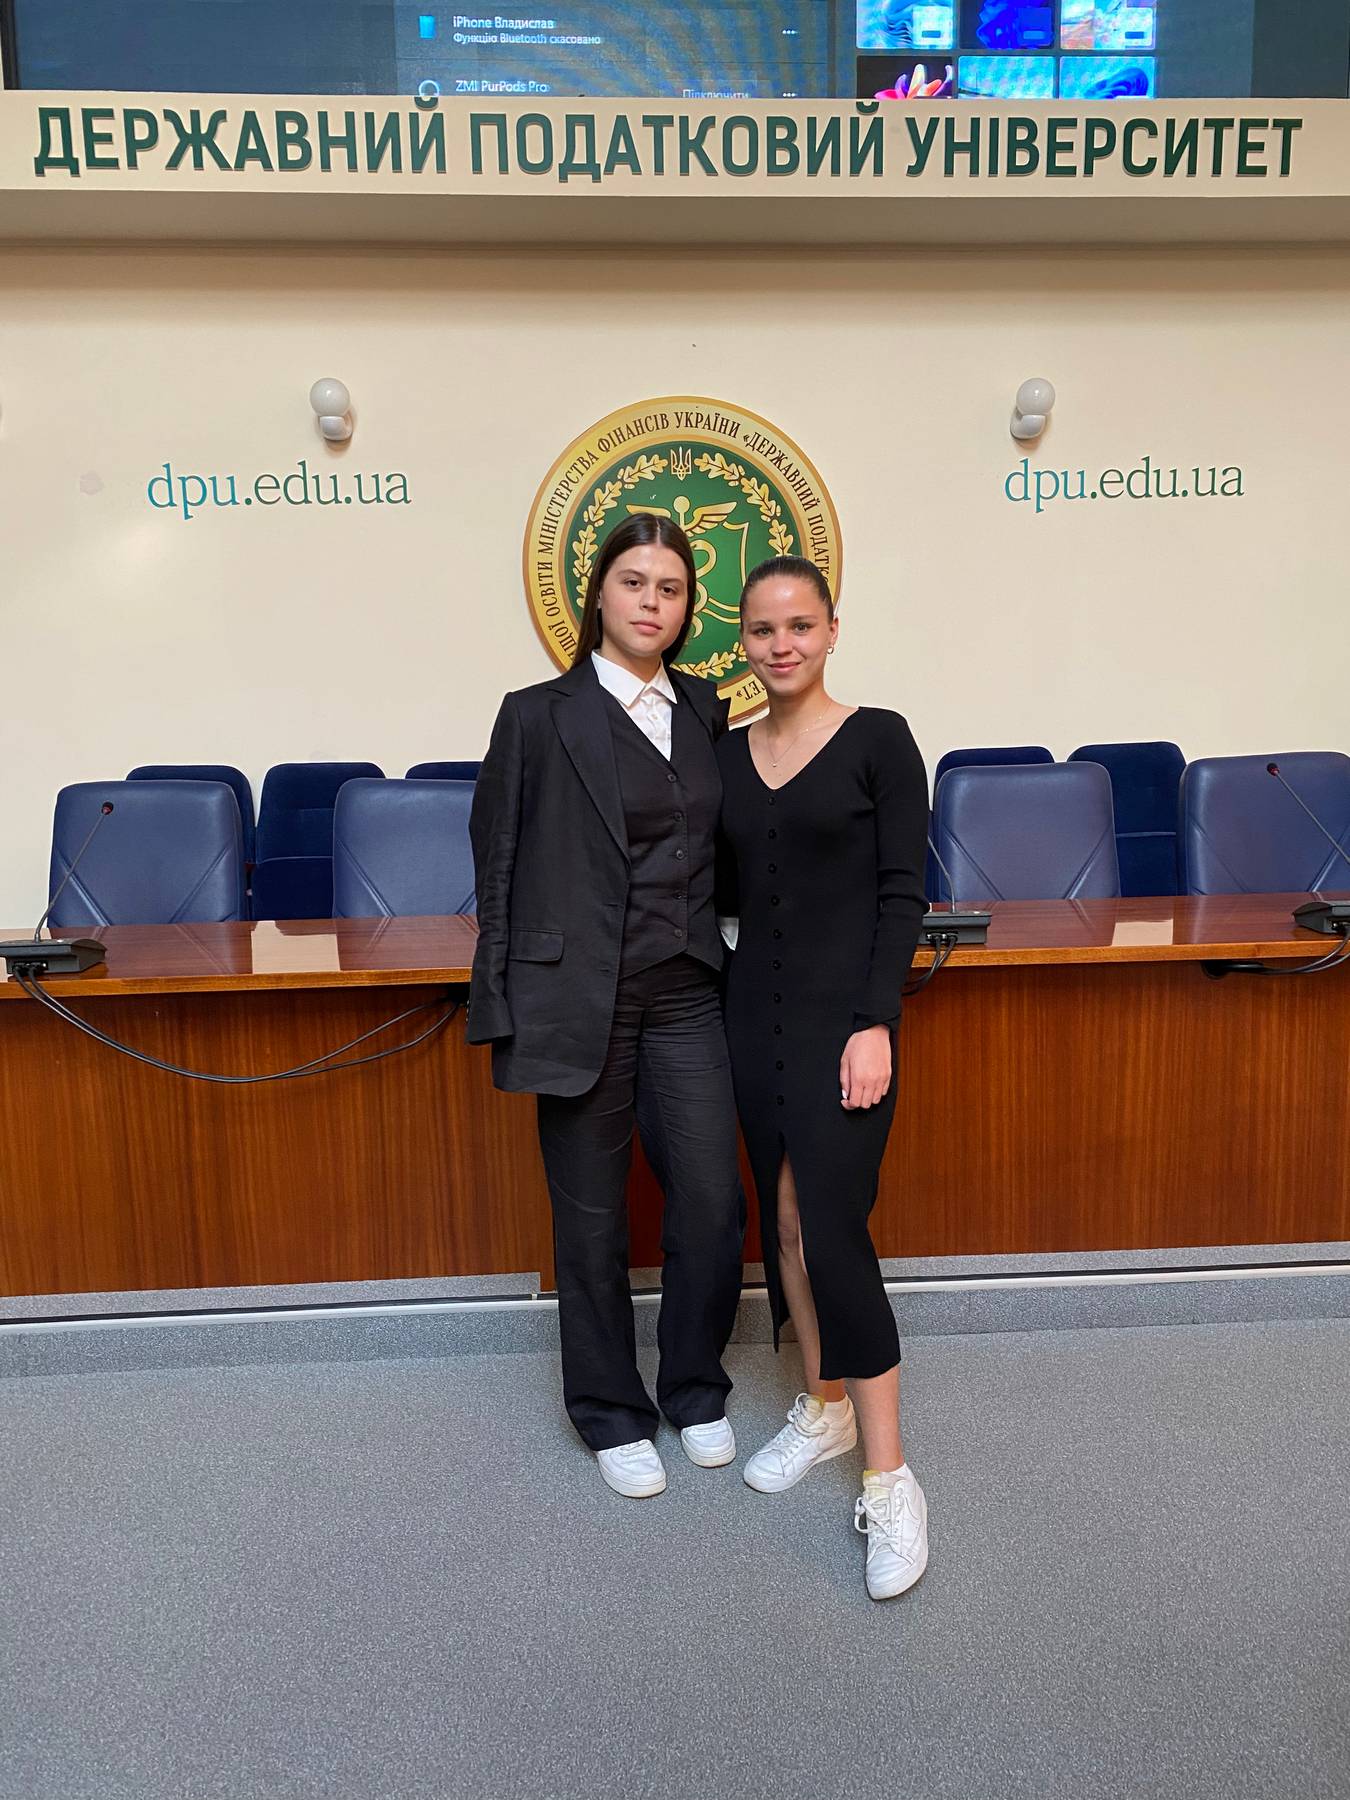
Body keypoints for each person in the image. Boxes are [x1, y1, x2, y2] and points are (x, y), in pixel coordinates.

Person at [468, 513, 744, 1499]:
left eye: (670, 589)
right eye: (634, 583)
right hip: (578, 997)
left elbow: (723, 850)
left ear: (688, 607)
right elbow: (497, 861)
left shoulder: (705, 708)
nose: (651, 603)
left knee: (712, 1202)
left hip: (689, 990)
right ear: (599, 594)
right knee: (590, 1223)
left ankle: (694, 1389)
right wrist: (499, 1001)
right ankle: (610, 1412)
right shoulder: (536, 715)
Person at [715, 555, 931, 1598]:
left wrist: (875, 1022)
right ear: (743, 641)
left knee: (833, 1230)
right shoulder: (724, 754)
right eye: (763, 629)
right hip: (751, 1018)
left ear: (832, 630)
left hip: (847, 1025)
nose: (782, 644)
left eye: (800, 625)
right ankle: (824, 1404)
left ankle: (890, 1479)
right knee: (786, 1222)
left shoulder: (880, 738)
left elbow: (901, 893)